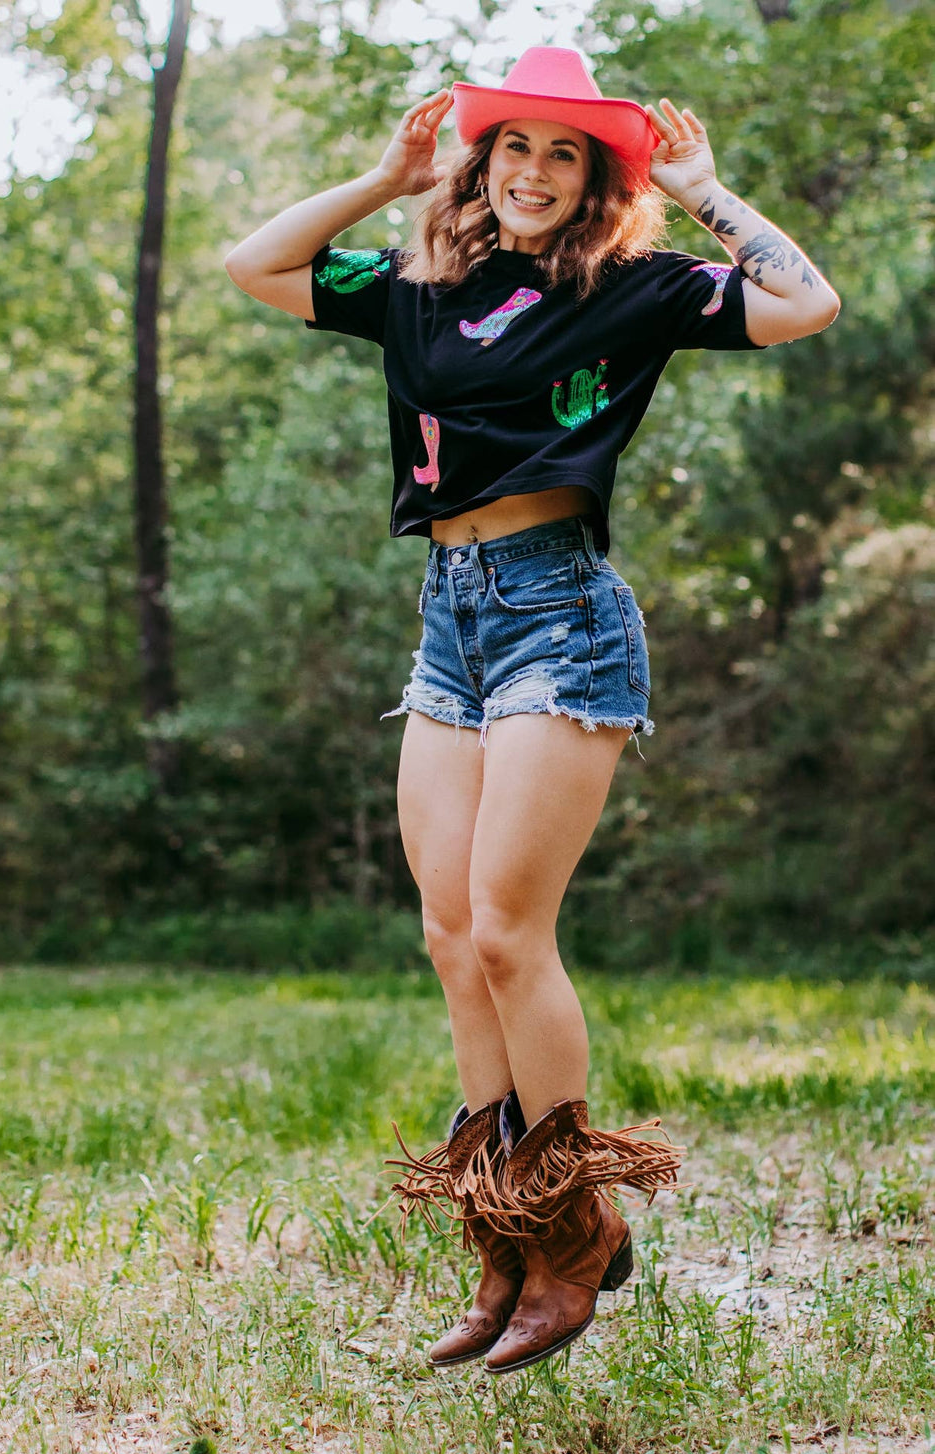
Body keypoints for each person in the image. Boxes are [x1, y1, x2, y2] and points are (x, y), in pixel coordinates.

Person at [225, 46, 839, 1375]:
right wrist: (387, 178)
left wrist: (712, 190)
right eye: (517, 148)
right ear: (484, 160)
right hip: (450, 616)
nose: (536, 172)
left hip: (562, 616)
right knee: (452, 938)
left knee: (511, 927)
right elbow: (255, 266)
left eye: (568, 154)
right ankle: (503, 1245)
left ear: (599, 179)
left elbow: (808, 301)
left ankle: (573, 1237)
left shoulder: (640, 290)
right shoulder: (421, 289)